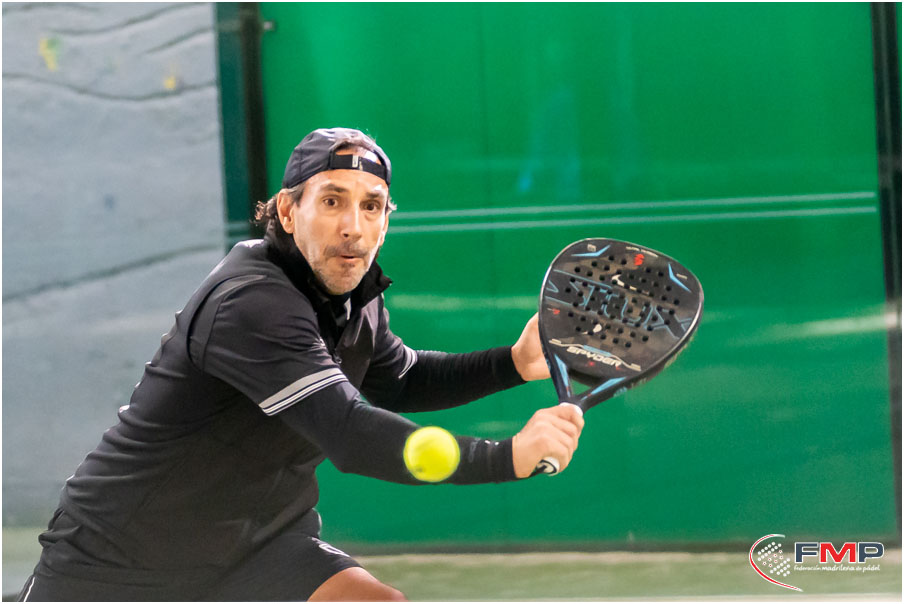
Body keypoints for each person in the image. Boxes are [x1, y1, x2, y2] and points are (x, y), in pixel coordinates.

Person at [18, 127, 584, 601]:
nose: (353, 227)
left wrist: (513, 362)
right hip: (121, 558)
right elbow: (349, 432)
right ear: (288, 212)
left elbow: (402, 379)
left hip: (259, 544)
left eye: (371, 206)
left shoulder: (353, 295)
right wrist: (504, 457)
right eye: (332, 201)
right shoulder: (250, 303)